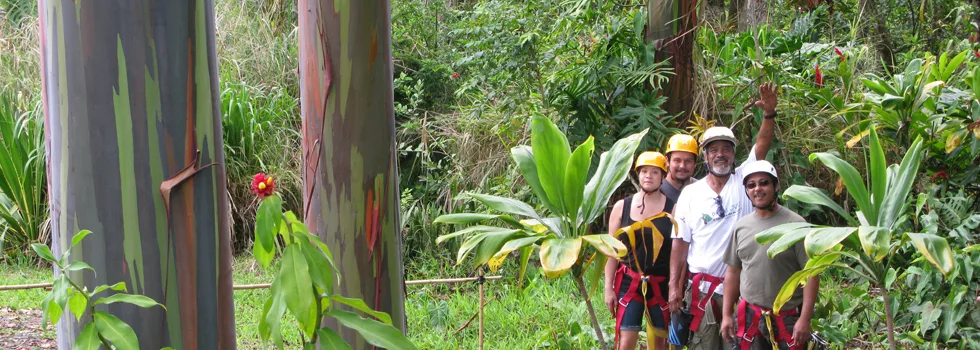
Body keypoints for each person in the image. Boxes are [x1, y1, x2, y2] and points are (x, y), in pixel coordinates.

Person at [668, 82, 779, 349]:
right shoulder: (690, 194)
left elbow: (762, 144)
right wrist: (674, 287)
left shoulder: (744, 181)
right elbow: (680, 244)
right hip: (701, 292)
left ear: (734, 154)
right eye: (714, 150)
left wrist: (769, 113)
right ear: (705, 156)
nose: (720, 154)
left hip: (741, 290)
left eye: (726, 149)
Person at [720, 160, 818, 350]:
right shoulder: (742, 226)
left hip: (788, 318)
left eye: (764, 183)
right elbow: (733, 272)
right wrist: (726, 315)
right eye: (751, 185)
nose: (757, 189)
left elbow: (811, 274)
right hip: (751, 317)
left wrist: (805, 319)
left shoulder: (796, 225)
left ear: (775, 186)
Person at [605, 151, 677, 350]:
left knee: (660, 343)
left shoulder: (673, 209)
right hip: (629, 281)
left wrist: (676, 286)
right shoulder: (622, 207)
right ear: (638, 174)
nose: (648, 176)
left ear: (663, 176)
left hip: (660, 283)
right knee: (626, 342)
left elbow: (677, 252)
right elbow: (612, 250)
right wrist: (608, 287)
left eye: (655, 172)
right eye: (644, 171)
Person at [661, 134, 699, 203]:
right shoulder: (657, 193)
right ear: (667, 161)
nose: (682, 166)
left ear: (695, 163)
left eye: (688, 161)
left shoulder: (703, 191)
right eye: (677, 160)